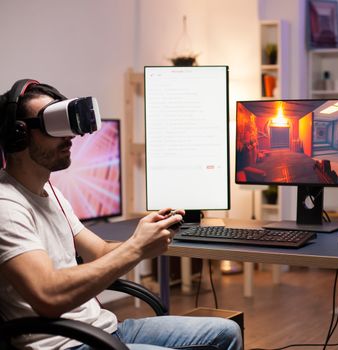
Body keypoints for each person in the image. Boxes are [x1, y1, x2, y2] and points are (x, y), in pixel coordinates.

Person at [0, 80, 242, 350]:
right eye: (54, 125)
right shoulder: (6, 206)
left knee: (226, 332)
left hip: (103, 330)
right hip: (68, 345)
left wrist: (148, 237)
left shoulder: (49, 193)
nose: (70, 137)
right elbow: (48, 296)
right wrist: (137, 249)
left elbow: (101, 250)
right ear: (18, 135)